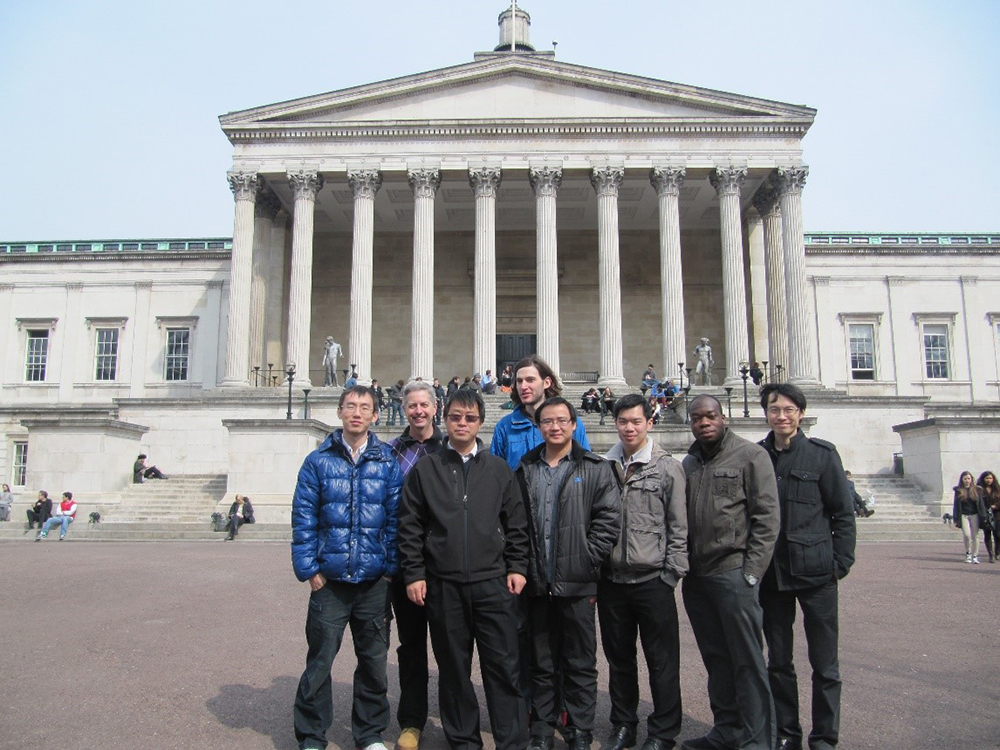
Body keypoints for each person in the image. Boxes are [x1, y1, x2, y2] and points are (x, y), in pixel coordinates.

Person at [398, 389, 529, 750]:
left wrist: (517, 566)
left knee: (502, 668)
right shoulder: (427, 469)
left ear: (480, 423)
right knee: (454, 670)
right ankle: (463, 741)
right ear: (446, 419)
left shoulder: (499, 469)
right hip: (444, 584)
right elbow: (409, 525)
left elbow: (516, 524)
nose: (462, 423)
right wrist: (414, 573)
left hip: (492, 583)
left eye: (470, 418)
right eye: (456, 416)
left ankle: (512, 741)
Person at [290, 385, 403, 750]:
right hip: (331, 581)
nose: (357, 412)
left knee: (373, 663)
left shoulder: (387, 461)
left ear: (374, 415)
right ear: (339, 412)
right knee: (319, 662)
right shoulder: (317, 460)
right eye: (350, 406)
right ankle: (311, 735)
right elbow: (303, 517)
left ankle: (369, 734)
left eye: (365, 407)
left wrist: (389, 568)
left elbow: (396, 520)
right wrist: (309, 570)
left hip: (373, 580)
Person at [516, 396, 621, 750]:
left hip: (577, 580)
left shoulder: (594, 467)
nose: (555, 426)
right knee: (541, 660)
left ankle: (579, 730)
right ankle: (542, 730)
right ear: (538, 426)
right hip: (537, 580)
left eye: (562, 420)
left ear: (574, 425)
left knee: (579, 661)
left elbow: (609, 520)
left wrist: (587, 558)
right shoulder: (525, 469)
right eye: (548, 421)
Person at [758, 383, 857, 750]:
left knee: (825, 665)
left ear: (800, 413)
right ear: (765, 413)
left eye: (788, 409)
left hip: (817, 574)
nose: (781, 416)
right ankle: (787, 733)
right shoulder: (757, 457)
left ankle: (824, 738)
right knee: (779, 662)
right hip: (773, 575)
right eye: (774, 409)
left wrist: (840, 564)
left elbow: (843, 514)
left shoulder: (822, 455)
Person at [680, 394, 779, 750]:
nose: (703, 422)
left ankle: (757, 741)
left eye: (709, 416)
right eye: (696, 417)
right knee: (717, 659)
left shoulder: (751, 456)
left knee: (748, 662)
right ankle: (726, 730)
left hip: (733, 571)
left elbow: (767, 518)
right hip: (697, 576)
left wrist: (751, 572)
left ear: (724, 417)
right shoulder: (690, 463)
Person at [599, 394, 687, 750]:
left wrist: (671, 575)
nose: (630, 428)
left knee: (662, 662)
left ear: (650, 422)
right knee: (619, 661)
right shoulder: (604, 466)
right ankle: (624, 724)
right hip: (612, 580)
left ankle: (664, 732)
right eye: (623, 421)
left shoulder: (667, 467)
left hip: (653, 580)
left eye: (636, 421)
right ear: (616, 423)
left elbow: (679, 527)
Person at [387, 381, 445, 750]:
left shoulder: (453, 449)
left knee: (452, 648)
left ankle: (457, 722)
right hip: (405, 564)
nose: (418, 411)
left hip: (445, 564)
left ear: (435, 408)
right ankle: (412, 721)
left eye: (424, 404)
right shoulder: (390, 452)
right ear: (404, 408)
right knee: (410, 648)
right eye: (412, 405)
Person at [491, 355, 590, 471]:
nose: (523, 386)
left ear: (547, 382)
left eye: (530, 380)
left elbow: (586, 469)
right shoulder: (504, 427)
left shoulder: (572, 424)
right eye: (519, 381)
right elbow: (495, 474)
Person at [953, 470, 988, 564]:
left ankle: (975, 555)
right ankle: (968, 553)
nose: (967, 480)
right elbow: (956, 505)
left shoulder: (977, 490)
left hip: (975, 514)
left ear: (971, 479)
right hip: (964, 515)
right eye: (965, 479)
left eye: (968, 478)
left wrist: (984, 516)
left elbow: (981, 504)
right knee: (967, 535)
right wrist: (955, 518)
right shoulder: (958, 490)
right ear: (962, 480)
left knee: (975, 535)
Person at [978, 471, 1000, 563]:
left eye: (990, 478)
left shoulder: (997, 489)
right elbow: (978, 502)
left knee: (998, 535)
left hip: (997, 514)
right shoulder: (980, 490)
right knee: (987, 534)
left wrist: (996, 506)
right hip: (985, 514)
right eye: (987, 478)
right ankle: (991, 555)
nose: (989, 480)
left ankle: (997, 552)